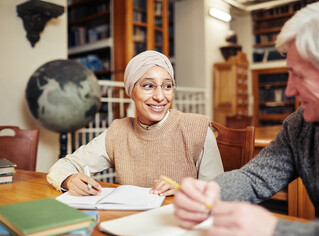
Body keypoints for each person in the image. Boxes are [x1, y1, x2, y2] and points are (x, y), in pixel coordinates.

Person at [173, 0, 319, 236]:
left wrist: (276, 231)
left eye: (299, 76)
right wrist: (211, 192)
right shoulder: (300, 125)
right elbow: (254, 178)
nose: (289, 90)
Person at [47, 50, 224, 196]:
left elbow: (220, 193)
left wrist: (182, 191)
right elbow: (63, 166)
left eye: (167, 86)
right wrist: (70, 180)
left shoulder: (197, 129)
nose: (160, 97)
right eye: (148, 86)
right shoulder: (118, 132)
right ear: (132, 91)